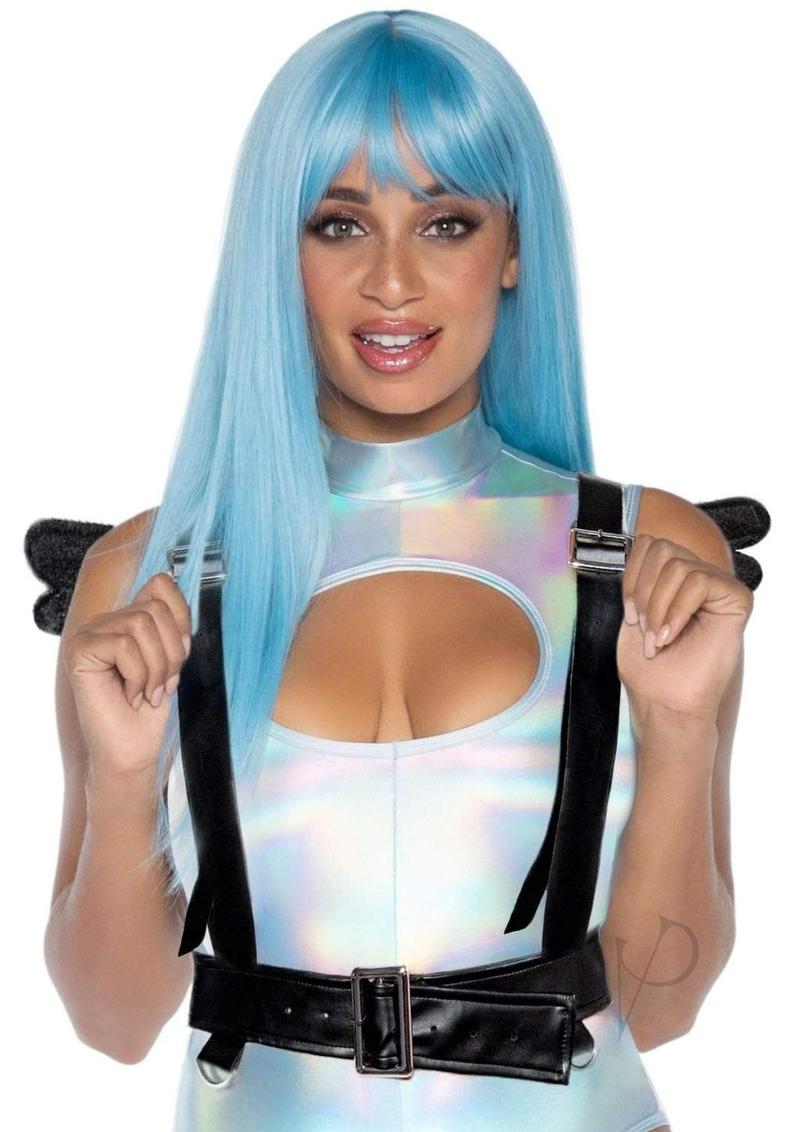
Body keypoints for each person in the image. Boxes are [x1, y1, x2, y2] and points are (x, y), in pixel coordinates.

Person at [43, 10, 758, 1131]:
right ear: (278, 254)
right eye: (339, 224)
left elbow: (659, 1010)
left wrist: (677, 728)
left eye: (444, 222)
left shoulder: (642, 560)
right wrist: (128, 778)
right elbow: (112, 1022)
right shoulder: (153, 577)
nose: (390, 281)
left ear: (511, 247)